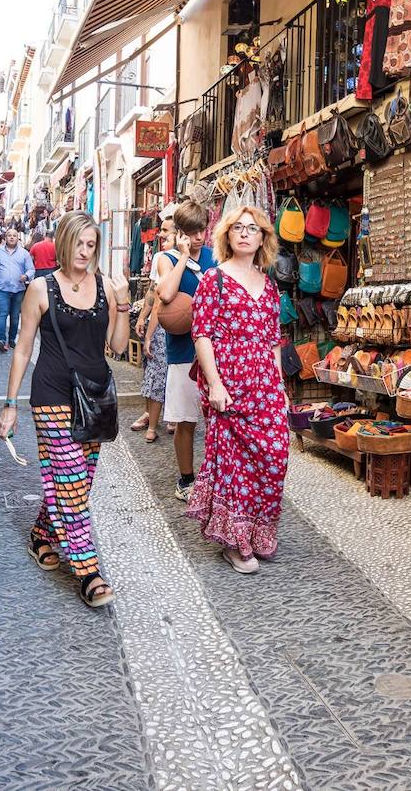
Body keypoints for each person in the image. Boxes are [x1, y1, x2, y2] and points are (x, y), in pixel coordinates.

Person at [0, 212, 131, 608]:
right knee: (71, 483)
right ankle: (89, 572)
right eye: (79, 243)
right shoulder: (42, 288)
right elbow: (23, 348)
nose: (85, 252)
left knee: (76, 483)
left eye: (92, 245)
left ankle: (42, 534)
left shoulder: (105, 286)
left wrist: (123, 303)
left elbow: (118, 347)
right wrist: (10, 404)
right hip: (52, 395)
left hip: (95, 397)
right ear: (64, 242)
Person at [186, 205, 289, 574]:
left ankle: (259, 532)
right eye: (238, 228)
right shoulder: (213, 280)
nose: (245, 233)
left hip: (265, 385)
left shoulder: (270, 285)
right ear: (227, 236)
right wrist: (214, 383)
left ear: (263, 239)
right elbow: (202, 335)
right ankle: (236, 543)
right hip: (229, 386)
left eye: (253, 228)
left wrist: (280, 385)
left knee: (275, 458)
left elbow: (273, 341)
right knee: (234, 466)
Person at [154, 201, 216, 501]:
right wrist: (182, 256)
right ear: (180, 233)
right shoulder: (166, 259)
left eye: (202, 230)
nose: (198, 237)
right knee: (186, 419)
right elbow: (166, 293)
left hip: (216, 348)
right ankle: (186, 480)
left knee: (218, 419)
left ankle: (217, 478)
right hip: (183, 350)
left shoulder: (215, 256)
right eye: (191, 232)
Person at [130, 216, 175, 441]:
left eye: (166, 230)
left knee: (170, 372)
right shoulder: (159, 256)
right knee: (154, 371)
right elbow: (152, 292)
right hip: (161, 323)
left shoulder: (189, 258)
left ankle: (171, 418)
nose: (160, 234)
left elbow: (160, 298)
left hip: (173, 324)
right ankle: (152, 416)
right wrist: (142, 317)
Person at [0, 228, 34, 352]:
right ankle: (1, 340)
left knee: (15, 317)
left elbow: (31, 269)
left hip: (18, 290)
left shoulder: (24, 253)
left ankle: (11, 340)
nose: (11, 237)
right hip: (1, 289)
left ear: (18, 238)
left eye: (14, 235)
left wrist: (26, 276)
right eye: (9, 235)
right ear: (5, 238)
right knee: (2, 314)